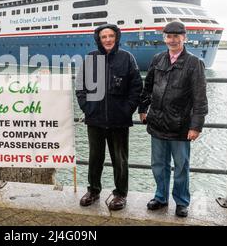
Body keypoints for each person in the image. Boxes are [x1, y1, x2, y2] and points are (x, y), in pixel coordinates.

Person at [138, 21, 208, 217]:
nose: (173, 40)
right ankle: (160, 197)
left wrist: (196, 126)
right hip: (157, 121)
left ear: (184, 37)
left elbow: (200, 98)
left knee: (181, 166)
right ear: (164, 38)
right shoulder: (157, 59)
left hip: (181, 125)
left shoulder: (194, 63)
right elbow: (148, 86)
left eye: (177, 36)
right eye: (169, 36)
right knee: (158, 165)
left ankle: (181, 201)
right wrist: (143, 108)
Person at [76, 24, 143, 211]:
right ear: (98, 39)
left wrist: (127, 109)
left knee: (120, 159)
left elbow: (136, 87)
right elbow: (80, 86)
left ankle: (120, 194)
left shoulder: (127, 58)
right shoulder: (91, 58)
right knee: (95, 157)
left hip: (118, 120)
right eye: (104, 36)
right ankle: (93, 190)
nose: (107, 40)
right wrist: (87, 108)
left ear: (117, 37)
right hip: (95, 119)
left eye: (111, 36)